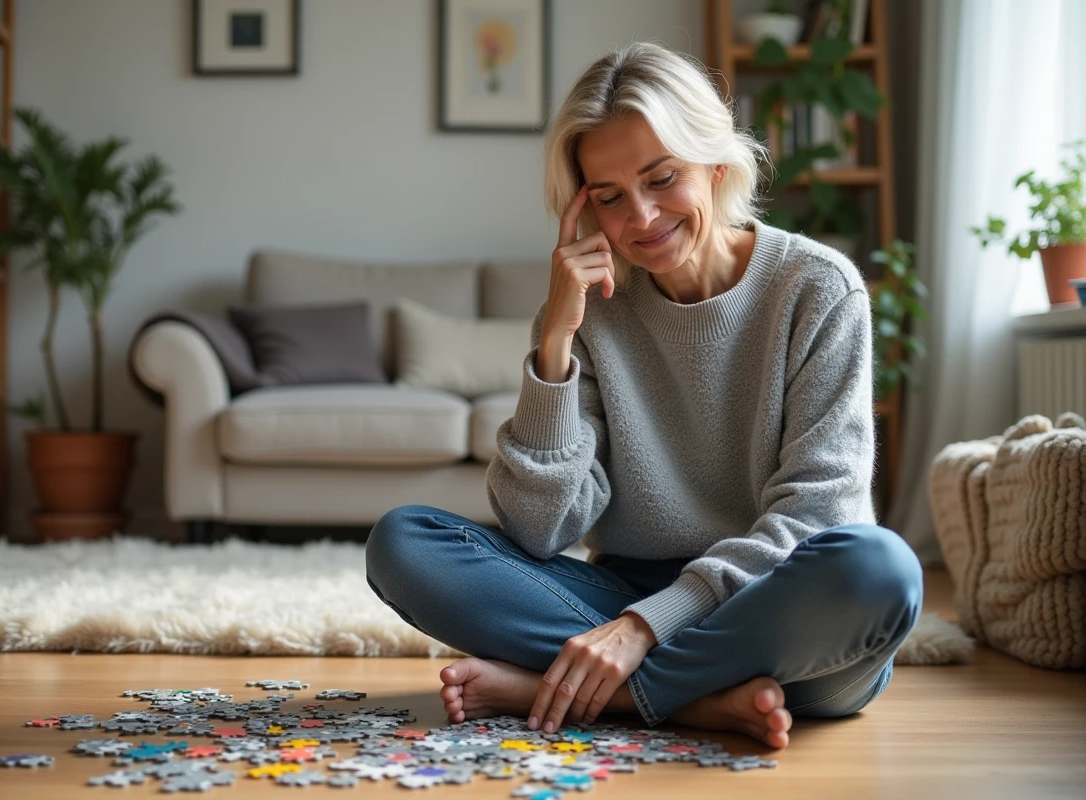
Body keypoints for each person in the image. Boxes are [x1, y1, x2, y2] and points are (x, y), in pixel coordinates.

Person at [364, 41, 922, 750]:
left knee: (878, 570)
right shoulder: (588, 311)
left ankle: (614, 693)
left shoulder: (818, 289)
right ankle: (691, 698)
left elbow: (817, 514)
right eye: (608, 196)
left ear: (715, 165)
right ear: (582, 205)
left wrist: (644, 628)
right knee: (404, 542)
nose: (642, 217)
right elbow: (541, 527)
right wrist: (555, 345)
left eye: (663, 179)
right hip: (627, 595)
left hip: (779, 613)